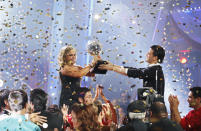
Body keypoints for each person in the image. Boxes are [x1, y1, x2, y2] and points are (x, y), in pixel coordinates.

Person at [99, 45, 165, 96]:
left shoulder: (155, 70)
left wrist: (112, 68)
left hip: (155, 109)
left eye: (149, 53)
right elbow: (135, 70)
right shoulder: (154, 69)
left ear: (155, 58)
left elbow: (135, 72)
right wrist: (113, 66)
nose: (146, 55)